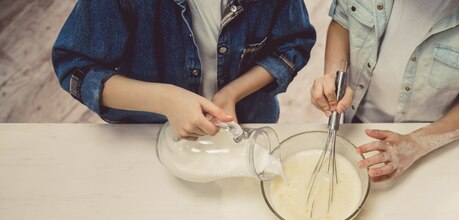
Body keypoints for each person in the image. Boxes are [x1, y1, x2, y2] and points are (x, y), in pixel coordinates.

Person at [311, 0, 459, 182]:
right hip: (354, 120)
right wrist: (334, 74)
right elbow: (344, 20)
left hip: (428, 138)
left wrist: (417, 144)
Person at [52, 0, 316, 139]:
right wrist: (164, 100)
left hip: (247, 125)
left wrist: (233, 92)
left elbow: (293, 44)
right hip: (148, 135)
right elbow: (76, 68)